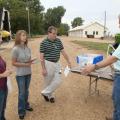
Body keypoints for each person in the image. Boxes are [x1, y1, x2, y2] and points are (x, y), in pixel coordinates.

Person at [81, 44, 120, 120]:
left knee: (118, 101)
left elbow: (113, 58)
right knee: (116, 99)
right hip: (117, 74)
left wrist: (94, 66)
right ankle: (116, 117)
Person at [40, 26, 71, 103]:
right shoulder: (43, 43)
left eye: (56, 34)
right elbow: (41, 58)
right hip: (48, 64)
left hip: (58, 64)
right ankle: (51, 96)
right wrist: (43, 69)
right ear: (48, 33)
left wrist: (68, 61)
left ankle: (45, 93)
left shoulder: (58, 41)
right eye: (53, 34)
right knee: (48, 81)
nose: (55, 35)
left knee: (58, 80)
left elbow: (63, 52)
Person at [12, 30, 33, 120]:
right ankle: (21, 111)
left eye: (25, 35)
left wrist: (31, 61)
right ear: (18, 37)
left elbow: (28, 60)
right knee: (21, 93)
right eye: (23, 35)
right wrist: (26, 64)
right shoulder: (15, 49)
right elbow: (13, 63)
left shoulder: (28, 48)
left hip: (28, 73)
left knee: (26, 91)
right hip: (20, 74)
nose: (25, 37)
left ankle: (26, 105)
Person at [0, 39, 12, 120]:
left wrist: (7, 71)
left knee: (2, 107)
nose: (1, 40)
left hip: (4, 85)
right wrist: (2, 74)